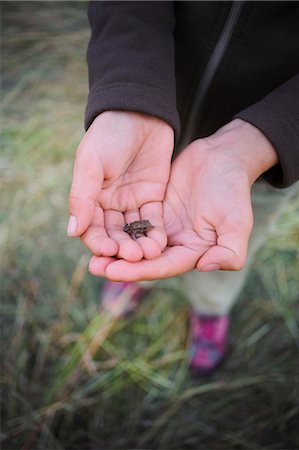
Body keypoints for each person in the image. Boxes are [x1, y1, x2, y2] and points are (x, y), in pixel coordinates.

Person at [67, 1, 299, 374]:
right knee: (144, 237)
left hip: (262, 156)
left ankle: (211, 308)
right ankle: (134, 275)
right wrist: (131, 95)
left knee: (221, 240)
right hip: (156, 107)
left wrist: (270, 136)